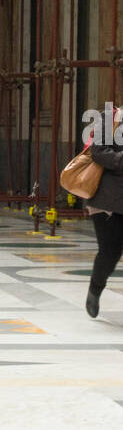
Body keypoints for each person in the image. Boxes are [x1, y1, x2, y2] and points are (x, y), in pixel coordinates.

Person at [84, 104, 123, 318]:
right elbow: (97, 151)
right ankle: (95, 290)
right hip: (108, 200)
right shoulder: (110, 117)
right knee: (110, 251)